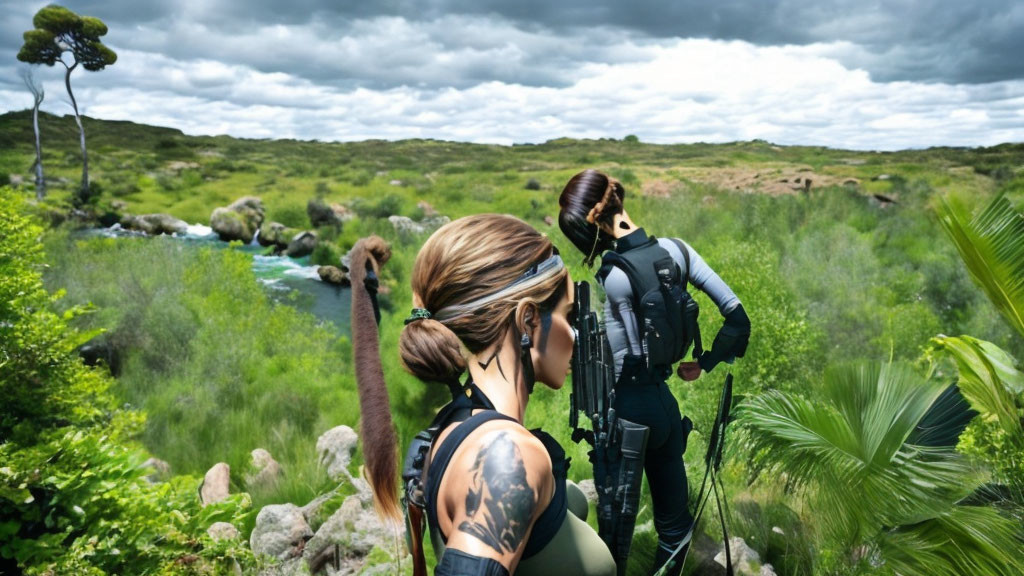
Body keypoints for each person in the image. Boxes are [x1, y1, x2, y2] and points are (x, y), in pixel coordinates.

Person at [352, 215, 616, 576]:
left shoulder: (460, 416)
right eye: (567, 315)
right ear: (527, 321)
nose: (574, 334)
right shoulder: (504, 455)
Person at [558, 169, 751, 576]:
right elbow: (737, 317)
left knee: (612, 547)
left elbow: (607, 355)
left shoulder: (612, 276)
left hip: (623, 418)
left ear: (590, 224)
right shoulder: (679, 251)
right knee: (675, 528)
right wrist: (707, 362)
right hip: (664, 409)